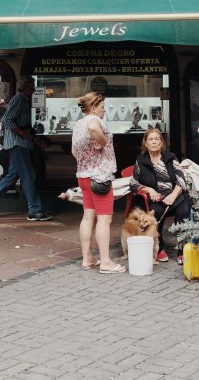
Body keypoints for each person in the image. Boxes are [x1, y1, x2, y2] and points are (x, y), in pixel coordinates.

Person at [0, 75, 52, 222]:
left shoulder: (23, 100)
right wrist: (22, 133)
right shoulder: (19, 99)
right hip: (18, 144)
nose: (34, 90)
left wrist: (33, 137)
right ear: (24, 87)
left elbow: (22, 122)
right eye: (31, 87)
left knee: (12, 177)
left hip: (20, 143)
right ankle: (34, 210)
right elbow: (6, 120)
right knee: (29, 176)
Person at [72, 92, 125, 274]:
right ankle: (106, 262)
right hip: (100, 177)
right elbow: (94, 128)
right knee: (104, 219)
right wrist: (102, 142)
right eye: (103, 107)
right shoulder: (95, 121)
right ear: (93, 108)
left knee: (88, 217)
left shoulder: (78, 124)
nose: (104, 111)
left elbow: (74, 151)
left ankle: (87, 258)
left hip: (84, 176)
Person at [132, 128, 192, 264]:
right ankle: (159, 247)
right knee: (156, 213)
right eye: (151, 139)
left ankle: (182, 249)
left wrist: (173, 195)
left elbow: (182, 179)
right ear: (146, 143)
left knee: (183, 211)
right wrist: (150, 190)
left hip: (175, 195)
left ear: (162, 142)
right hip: (156, 198)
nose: (154, 142)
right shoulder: (140, 161)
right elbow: (133, 183)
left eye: (157, 139)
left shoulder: (170, 158)